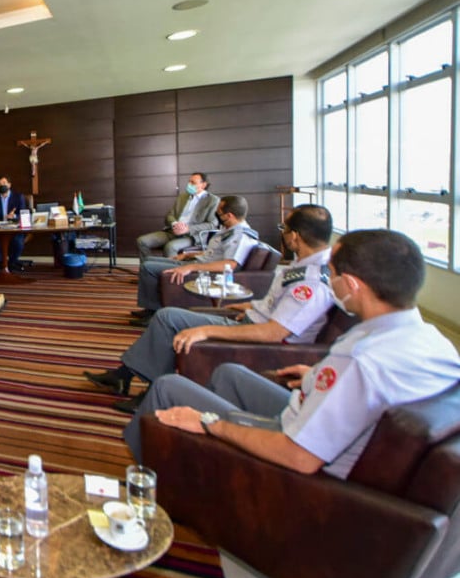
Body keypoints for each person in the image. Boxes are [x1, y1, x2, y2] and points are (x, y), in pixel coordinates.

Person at [123, 229, 460, 478]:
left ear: (353, 285)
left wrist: (211, 424)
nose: (329, 281)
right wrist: (314, 377)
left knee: (168, 387)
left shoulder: (361, 361)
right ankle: (198, 467)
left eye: (334, 274)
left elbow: (300, 456)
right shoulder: (435, 343)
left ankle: (143, 480)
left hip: (303, 457)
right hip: (318, 420)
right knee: (229, 374)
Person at [88, 205, 335, 413]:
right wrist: (252, 305)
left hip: (259, 341)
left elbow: (274, 333)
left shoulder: (311, 282)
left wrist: (207, 331)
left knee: (167, 318)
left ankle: (140, 385)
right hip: (250, 320)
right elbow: (280, 308)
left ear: (296, 236)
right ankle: (127, 376)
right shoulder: (304, 266)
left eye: (285, 229)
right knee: (168, 318)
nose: (283, 234)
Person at [130, 195, 259, 326]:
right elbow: (213, 254)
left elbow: (230, 264)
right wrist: (188, 255)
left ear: (229, 215)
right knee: (149, 261)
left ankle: (153, 312)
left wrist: (190, 267)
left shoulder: (240, 236)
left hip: (201, 270)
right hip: (197, 262)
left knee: (148, 267)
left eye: (219, 212)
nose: (217, 214)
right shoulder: (230, 230)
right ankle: (150, 309)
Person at [136, 173, 220, 260]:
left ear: (203, 185)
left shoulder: (212, 200)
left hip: (192, 236)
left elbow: (212, 224)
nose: (189, 184)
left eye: (193, 182)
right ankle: (148, 268)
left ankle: (171, 272)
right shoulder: (182, 197)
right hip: (173, 231)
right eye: (189, 182)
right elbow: (170, 215)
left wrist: (187, 229)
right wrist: (175, 223)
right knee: (142, 241)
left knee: (170, 247)